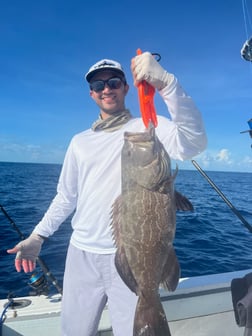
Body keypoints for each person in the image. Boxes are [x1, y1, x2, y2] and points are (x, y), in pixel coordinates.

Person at [7, 51, 207, 335]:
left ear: (126, 87)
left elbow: (193, 142)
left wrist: (166, 83)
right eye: (98, 86)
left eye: (113, 82)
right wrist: (37, 237)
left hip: (129, 256)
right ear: (91, 94)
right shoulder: (79, 142)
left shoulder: (147, 127)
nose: (106, 89)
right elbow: (66, 196)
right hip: (81, 256)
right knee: (74, 331)